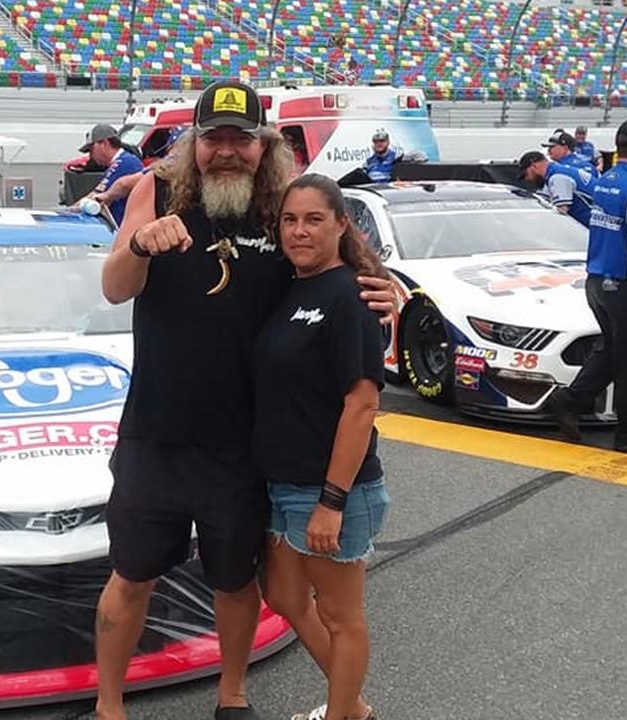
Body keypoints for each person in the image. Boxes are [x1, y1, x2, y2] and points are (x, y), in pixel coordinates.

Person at [97, 80, 398, 720]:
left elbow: (346, 260)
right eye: (214, 139)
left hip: (241, 449)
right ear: (194, 144)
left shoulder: (279, 209)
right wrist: (139, 245)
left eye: (241, 139)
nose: (227, 152)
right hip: (156, 433)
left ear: (264, 146)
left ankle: (232, 695)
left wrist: (384, 290)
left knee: (235, 581)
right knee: (131, 577)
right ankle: (109, 705)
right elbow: (115, 289)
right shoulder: (154, 191)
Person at [255, 174, 389, 720]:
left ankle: (342, 715)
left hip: (332, 490)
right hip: (283, 484)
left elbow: (361, 405)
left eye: (313, 219)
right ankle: (352, 707)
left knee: (340, 615)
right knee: (284, 598)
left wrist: (330, 502)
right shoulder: (290, 287)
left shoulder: (351, 295)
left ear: (341, 224)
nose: (299, 231)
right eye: (290, 220)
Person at [548, 117, 627, 455]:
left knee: (612, 351)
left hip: (596, 281)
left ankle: (569, 400)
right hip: (623, 282)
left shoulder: (605, 180)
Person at [75, 123, 143, 225]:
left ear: (104, 144)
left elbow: (96, 196)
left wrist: (71, 210)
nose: (91, 156)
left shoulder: (125, 163)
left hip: (122, 228)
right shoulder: (123, 161)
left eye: (91, 150)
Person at [518, 149, 596, 227]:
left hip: (592, 226)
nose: (527, 179)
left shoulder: (557, 177)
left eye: (526, 174)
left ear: (534, 166)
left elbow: (562, 212)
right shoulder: (558, 170)